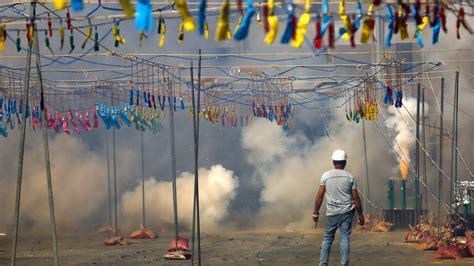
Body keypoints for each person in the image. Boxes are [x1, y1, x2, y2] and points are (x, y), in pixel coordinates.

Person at [313, 149, 364, 266]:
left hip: (332, 212)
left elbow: (320, 195)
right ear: (345, 163)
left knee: (327, 239)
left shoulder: (326, 176)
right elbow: (356, 199)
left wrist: (315, 213)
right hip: (347, 213)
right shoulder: (350, 177)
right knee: (344, 239)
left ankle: (323, 264)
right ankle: (344, 264)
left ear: (333, 162)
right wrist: (361, 216)